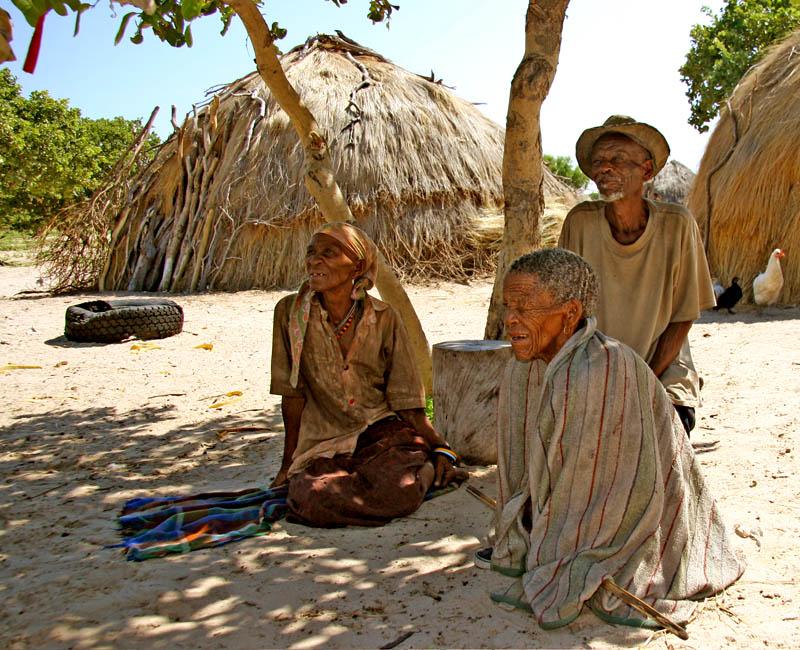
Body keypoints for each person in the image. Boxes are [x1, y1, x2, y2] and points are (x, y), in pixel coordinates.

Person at [487, 248, 743, 629]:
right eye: (508, 307)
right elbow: (521, 464)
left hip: (649, 508)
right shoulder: (520, 369)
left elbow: (613, 492)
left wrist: (565, 547)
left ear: (570, 314)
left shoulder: (602, 370)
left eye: (525, 308)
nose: (510, 319)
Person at [269, 221, 467, 527]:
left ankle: (425, 470)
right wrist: (287, 465)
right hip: (324, 441)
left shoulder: (384, 318)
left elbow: (406, 400)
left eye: (328, 253)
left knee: (400, 490)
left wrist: (440, 446)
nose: (314, 261)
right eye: (311, 253)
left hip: (379, 431)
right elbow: (291, 394)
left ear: (357, 267)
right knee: (309, 498)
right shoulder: (290, 314)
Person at [558, 115, 715, 436]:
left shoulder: (677, 225)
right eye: (598, 161)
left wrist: (643, 380)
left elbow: (683, 317)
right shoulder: (580, 223)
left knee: (658, 439)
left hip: (662, 369)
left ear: (646, 170)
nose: (605, 168)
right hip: (596, 368)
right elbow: (567, 314)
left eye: (618, 159)